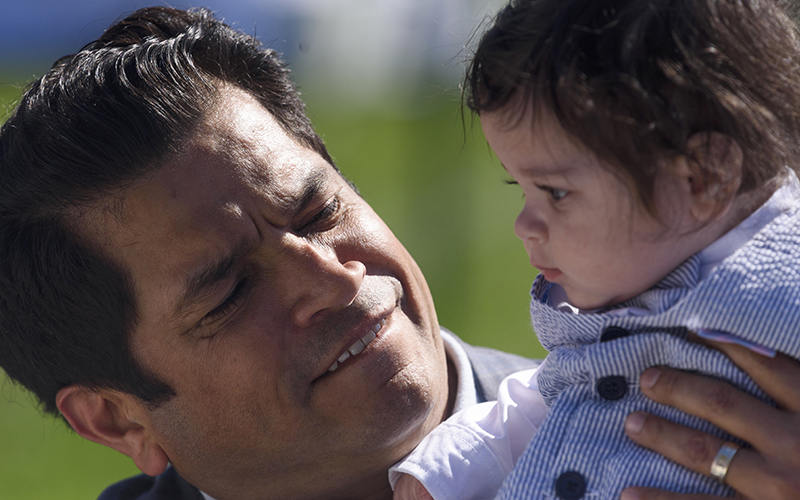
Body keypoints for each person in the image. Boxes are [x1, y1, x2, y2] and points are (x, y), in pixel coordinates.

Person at [0, 6, 798, 500]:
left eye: (317, 212)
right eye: (231, 291)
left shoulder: (742, 417)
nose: (333, 275)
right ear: (114, 418)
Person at [392, 0, 800, 499]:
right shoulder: (615, 302)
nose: (524, 225)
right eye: (523, 189)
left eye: (555, 192)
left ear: (702, 178)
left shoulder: (787, 282)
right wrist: (448, 467)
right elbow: (536, 402)